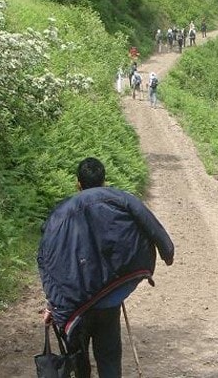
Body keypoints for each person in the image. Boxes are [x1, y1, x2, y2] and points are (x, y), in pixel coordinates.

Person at [38, 157, 175, 378]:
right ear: (104, 181)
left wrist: (52, 303)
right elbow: (149, 223)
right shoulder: (120, 199)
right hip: (108, 300)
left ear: (78, 183)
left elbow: (48, 260)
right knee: (109, 358)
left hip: (75, 306)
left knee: (78, 361)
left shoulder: (59, 215)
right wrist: (167, 252)